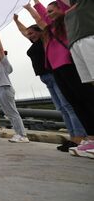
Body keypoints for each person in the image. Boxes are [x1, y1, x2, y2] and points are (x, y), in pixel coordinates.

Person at [25, 0, 94, 156]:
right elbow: (40, 18)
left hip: (69, 64)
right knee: (76, 103)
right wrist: (31, 6)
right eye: (47, 11)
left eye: (51, 10)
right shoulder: (50, 28)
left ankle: (85, 136)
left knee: (85, 99)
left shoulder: (67, 21)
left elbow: (65, 5)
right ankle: (90, 138)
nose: (48, 14)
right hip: (56, 69)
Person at [14, 13, 86, 150]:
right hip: (46, 78)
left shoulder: (46, 39)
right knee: (61, 108)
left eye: (32, 33)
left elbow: (40, 23)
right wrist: (16, 21)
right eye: (28, 34)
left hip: (54, 74)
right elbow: (24, 31)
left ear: (40, 32)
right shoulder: (34, 41)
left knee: (68, 106)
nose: (30, 35)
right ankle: (72, 138)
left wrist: (30, 8)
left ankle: (79, 138)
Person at [0, 33, 29, 143]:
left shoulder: (4, 64)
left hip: (5, 88)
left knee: (13, 112)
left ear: (1, 58)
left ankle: (22, 135)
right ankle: (18, 134)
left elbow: (1, 51)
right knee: (8, 113)